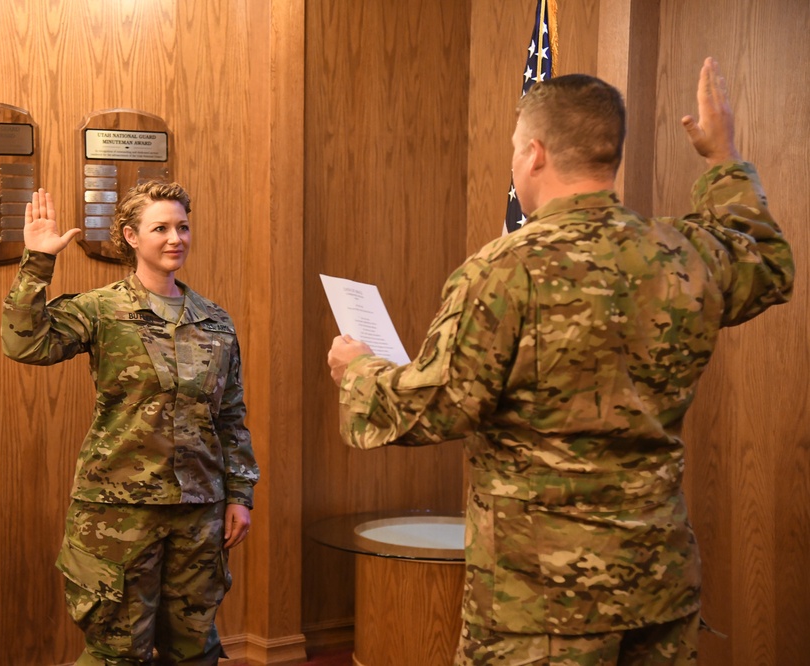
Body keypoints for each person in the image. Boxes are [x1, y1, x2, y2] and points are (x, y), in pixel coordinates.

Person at [327, 58, 793, 665]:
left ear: (535, 154)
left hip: (541, 602)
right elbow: (766, 262)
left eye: (515, 150)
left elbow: (434, 408)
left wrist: (358, 370)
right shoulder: (686, 255)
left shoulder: (504, 269)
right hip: (658, 586)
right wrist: (722, 158)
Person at [2, 181, 259, 665]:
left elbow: (230, 418)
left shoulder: (216, 321)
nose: (175, 238)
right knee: (117, 653)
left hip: (197, 510)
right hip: (118, 513)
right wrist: (38, 262)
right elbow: (25, 343)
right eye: (159, 228)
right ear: (131, 237)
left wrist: (240, 496)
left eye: (182, 227)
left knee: (195, 649)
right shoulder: (103, 309)